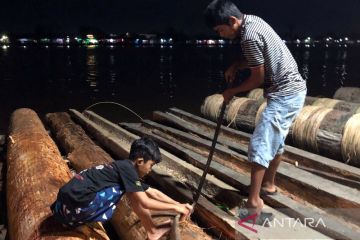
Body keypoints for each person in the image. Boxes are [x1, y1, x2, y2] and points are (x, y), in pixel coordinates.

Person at [204, 0, 307, 223]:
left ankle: (253, 204)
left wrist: (232, 91)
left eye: (221, 30)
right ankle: (269, 185)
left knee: (261, 142)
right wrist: (236, 66)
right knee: (276, 141)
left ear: (232, 21)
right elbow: (259, 56)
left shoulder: (248, 36)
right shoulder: (252, 21)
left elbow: (257, 78)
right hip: (293, 90)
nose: (221, 36)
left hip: (285, 93)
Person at [51, 137, 192, 240]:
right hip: (74, 207)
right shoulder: (128, 170)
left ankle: (152, 230)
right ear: (140, 161)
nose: (150, 170)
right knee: (133, 194)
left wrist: (178, 204)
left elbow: (152, 191)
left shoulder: (123, 167)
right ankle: (153, 230)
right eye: (151, 165)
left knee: (134, 192)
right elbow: (145, 202)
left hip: (64, 208)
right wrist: (176, 209)